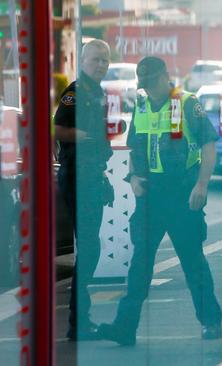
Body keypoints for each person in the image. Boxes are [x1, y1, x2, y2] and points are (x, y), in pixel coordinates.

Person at [97, 56, 222, 346]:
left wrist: (202, 185)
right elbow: (135, 149)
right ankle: (124, 328)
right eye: (144, 84)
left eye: (152, 82)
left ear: (165, 76)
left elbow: (209, 144)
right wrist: (133, 178)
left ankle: (211, 322)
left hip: (182, 194)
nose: (149, 89)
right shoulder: (141, 105)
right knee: (139, 265)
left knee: (192, 261)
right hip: (151, 195)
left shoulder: (188, 103)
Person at [54, 39, 114, 341]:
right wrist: (80, 135)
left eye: (105, 60)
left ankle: (80, 321)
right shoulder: (76, 92)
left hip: (92, 176)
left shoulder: (98, 92)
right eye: (96, 60)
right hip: (77, 176)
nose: (101, 65)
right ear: (83, 61)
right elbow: (57, 128)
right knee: (90, 248)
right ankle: (77, 324)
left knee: (91, 248)